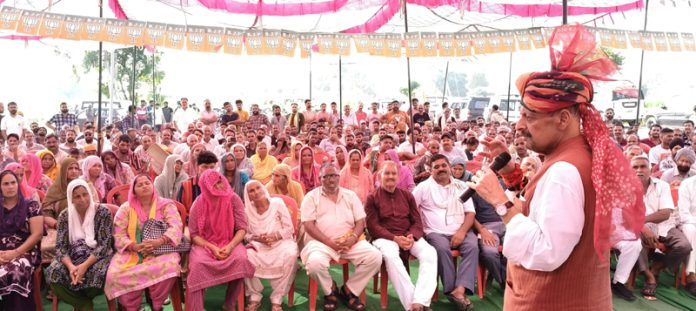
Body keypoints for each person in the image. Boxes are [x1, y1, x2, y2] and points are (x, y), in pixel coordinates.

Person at [467, 25, 645, 310]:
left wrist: (501, 203)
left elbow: (546, 251)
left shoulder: (565, 170)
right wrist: (512, 173)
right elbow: (547, 209)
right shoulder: (578, 154)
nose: (520, 126)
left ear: (563, 119)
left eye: (530, 116)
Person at [301, 163, 382, 311]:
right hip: (321, 243)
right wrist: (329, 242)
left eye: (334, 176)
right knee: (314, 264)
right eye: (326, 176)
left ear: (339, 177)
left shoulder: (350, 195)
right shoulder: (311, 197)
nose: (331, 179)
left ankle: (349, 290)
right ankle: (330, 290)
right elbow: (308, 225)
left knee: (375, 256)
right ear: (320, 179)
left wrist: (353, 238)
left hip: (350, 241)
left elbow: (360, 221)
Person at [104, 175, 184, 311]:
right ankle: (132, 307)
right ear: (133, 190)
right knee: (114, 275)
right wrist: (134, 245)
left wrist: (159, 241)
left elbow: (176, 226)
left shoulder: (165, 204)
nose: (144, 186)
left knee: (170, 266)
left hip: (161, 250)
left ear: (153, 186)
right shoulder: (126, 208)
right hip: (131, 251)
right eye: (139, 185)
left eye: (147, 183)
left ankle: (157, 304)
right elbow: (118, 234)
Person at [365, 161, 437, 311]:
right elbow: (373, 227)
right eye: (387, 173)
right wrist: (395, 239)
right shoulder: (372, 197)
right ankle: (413, 306)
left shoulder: (407, 195)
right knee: (391, 255)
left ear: (398, 176)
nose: (390, 176)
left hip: (408, 236)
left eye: (394, 173)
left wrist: (412, 236)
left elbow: (417, 221)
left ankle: (420, 300)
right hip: (385, 238)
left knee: (430, 253)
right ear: (380, 176)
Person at [412, 154, 477, 310]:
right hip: (435, 232)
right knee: (441, 248)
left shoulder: (462, 187)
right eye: (436, 167)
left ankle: (459, 290)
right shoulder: (422, 188)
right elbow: (411, 210)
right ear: (431, 170)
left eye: (443, 165)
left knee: (473, 246)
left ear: (449, 166)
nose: (441, 169)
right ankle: (451, 290)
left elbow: (470, 213)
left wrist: (461, 232)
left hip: (461, 229)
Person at [187, 170, 255, 311]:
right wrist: (212, 247)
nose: (220, 185)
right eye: (214, 183)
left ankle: (229, 303)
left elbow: (242, 228)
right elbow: (194, 234)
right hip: (205, 245)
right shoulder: (198, 204)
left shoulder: (233, 198)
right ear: (205, 186)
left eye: (220, 181)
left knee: (241, 259)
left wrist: (230, 246)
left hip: (230, 241)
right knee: (197, 265)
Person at [44, 179, 114, 311]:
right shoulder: (65, 216)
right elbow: (61, 247)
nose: (82, 199)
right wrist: (71, 267)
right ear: (71, 199)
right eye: (77, 196)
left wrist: (84, 266)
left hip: (98, 256)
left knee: (99, 273)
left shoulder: (103, 212)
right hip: (72, 256)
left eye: (85, 194)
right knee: (53, 273)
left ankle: (80, 305)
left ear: (89, 193)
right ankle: (84, 305)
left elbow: (104, 245)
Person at [629, 155, 692, 300]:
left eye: (643, 167)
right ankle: (648, 275)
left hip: (664, 225)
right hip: (637, 228)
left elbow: (665, 213)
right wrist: (641, 226)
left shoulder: (662, 185)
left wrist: (641, 221)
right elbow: (626, 215)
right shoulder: (626, 188)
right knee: (635, 239)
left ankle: (657, 267)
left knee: (684, 246)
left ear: (650, 169)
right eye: (635, 167)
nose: (639, 170)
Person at [243, 180, 298, 311]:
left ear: (263, 188)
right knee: (245, 256)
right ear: (247, 195)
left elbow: (289, 228)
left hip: (281, 242)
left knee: (290, 254)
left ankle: (277, 298)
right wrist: (257, 238)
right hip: (258, 245)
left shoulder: (277, 203)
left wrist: (274, 237)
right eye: (251, 191)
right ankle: (255, 296)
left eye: (258, 188)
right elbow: (245, 235)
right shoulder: (246, 211)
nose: (256, 192)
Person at [0, 170, 42, 310]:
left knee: (14, 273)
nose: (10, 186)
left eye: (13, 183)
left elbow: (37, 234)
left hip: (24, 251)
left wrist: (15, 252)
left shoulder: (31, 205)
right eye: (5, 184)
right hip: (1, 253)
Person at [42, 158, 82, 261]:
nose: (73, 171)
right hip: (59, 226)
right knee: (47, 247)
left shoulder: (87, 187)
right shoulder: (54, 190)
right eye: (70, 168)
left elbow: (95, 209)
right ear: (63, 170)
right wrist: (58, 224)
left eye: (76, 168)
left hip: (83, 226)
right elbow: (46, 215)